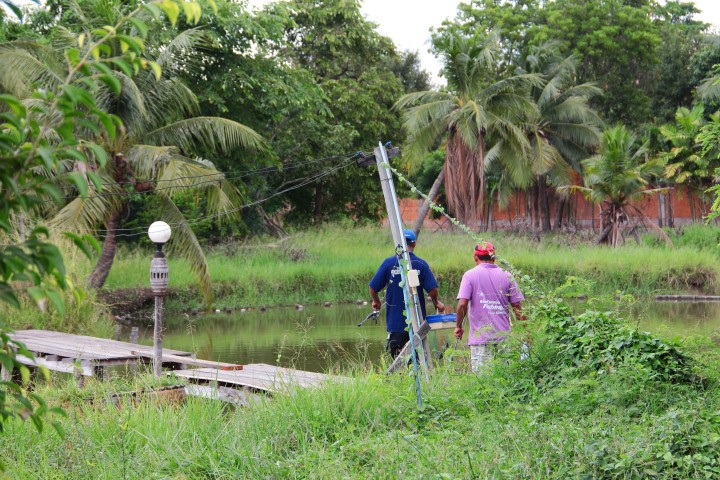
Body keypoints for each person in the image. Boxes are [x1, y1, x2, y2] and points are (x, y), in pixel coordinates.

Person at [369, 229, 445, 358]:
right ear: (414, 244)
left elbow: (373, 287)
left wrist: (376, 301)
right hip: (418, 324)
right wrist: (436, 302)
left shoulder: (389, 264)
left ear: (398, 244)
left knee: (398, 362)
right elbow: (433, 290)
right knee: (419, 360)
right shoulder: (421, 264)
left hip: (396, 325)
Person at [453, 242, 525, 371]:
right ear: (494, 257)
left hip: (481, 340)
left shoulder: (469, 275)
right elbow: (517, 306)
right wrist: (526, 330)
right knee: (504, 379)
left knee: (483, 384)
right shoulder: (507, 275)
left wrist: (458, 326)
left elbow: (462, 304)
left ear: (475, 257)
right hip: (504, 339)